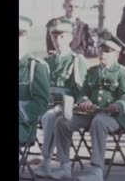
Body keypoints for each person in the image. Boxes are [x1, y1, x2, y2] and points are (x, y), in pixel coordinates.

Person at [50, 31, 125, 181]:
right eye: (101, 49)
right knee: (62, 122)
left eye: (108, 51)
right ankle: (64, 166)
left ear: (117, 54)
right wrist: (85, 100)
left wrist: (117, 105)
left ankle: (97, 170)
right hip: (90, 113)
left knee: (99, 122)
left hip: (113, 117)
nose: (103, 54)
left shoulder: (123, 73)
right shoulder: (92, 71)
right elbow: (82, 92)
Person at [34, 19, 88, 178]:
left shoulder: (76, 60)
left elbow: (81, 90)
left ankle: (46, 162)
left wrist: (68, 102)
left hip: (65, 106)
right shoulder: (46, 62)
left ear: (70, 38)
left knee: (50, 116)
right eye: (54, 37)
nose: (57, 41)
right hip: (45, 104)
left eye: (62, 36)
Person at [19, 16, 50, 145]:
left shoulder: (36, 66)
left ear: (26, 37)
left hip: (24, 125)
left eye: (19, 35)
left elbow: (42, 104)